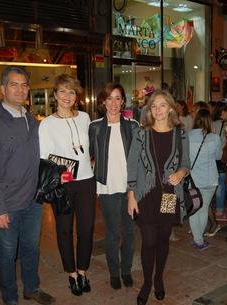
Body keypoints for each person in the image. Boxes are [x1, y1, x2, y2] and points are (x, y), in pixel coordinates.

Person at [0, 67, 55, 305]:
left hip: (32, 201)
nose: (20, 89)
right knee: (8, 255)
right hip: (6, 205)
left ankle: (31, 288)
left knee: (32, 248)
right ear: (2, 89)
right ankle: (10, 298)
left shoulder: (31, 119)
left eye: (24, 85)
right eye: (14, 84)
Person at [127, 89, 189, 305]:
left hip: (168, 195)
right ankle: (146, 283)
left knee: (163, 239)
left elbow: (186, 164)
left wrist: (181, 173)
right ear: (149, 110)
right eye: (154, 106)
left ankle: (159, 279)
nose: (158, 110)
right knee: (149, 241)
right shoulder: (141, 133)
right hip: (145, 195)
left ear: (170, 107)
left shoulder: (180, 133)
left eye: (162, 105)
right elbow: (132, 165)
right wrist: (131, 196)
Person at [39, 74, 96, 296]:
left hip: (86, 182)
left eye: (71, 91)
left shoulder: (84, 117)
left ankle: (82, 270)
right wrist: (58, 176)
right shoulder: (47, 124)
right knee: (64, 230)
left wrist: (91, 160)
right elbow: (44, 156)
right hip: (62, 184)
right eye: (62, 91)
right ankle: (71, 274)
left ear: (77, 96)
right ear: (55, 95)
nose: (67, 96)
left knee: (87, 229)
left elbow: (89, 146)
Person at [89, 83, 139, 290]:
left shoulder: (133, 126)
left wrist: (134, 191)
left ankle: (126, 270)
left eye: (117, 98)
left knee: (129, 231)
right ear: (103, 102)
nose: (113, 103)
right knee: (112, 233)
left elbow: (137, 159)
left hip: (129, 189)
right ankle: (114, 272)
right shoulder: (95, 127)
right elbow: (88, 154)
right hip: (107, 188)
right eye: (109, 98)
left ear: (123, 102)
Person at [188, 109, 221, 249]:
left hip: (194, 180)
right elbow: (218, 156)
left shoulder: (188, 136)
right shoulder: (215, 138)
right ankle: (198, 239)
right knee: (203, 208)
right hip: (211, 180)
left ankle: (198, 239)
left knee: (194, 209)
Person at [212, 102, 227, 224]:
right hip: (221, 158)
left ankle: (210, 209)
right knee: (220, 186)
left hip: (211, 158)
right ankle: (219, 211)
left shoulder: (211, 123)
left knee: (213, 185)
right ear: (222, 112)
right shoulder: (226, 125)